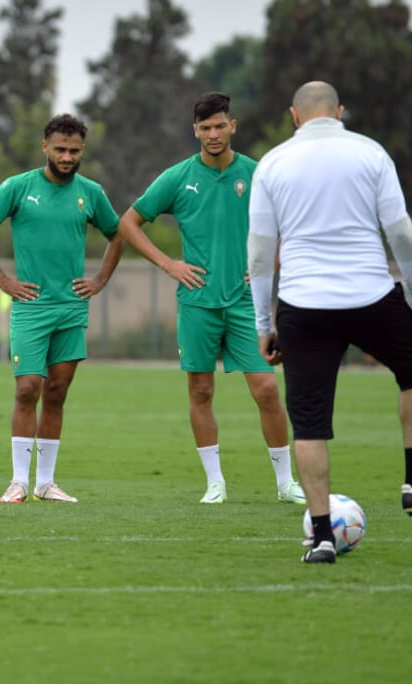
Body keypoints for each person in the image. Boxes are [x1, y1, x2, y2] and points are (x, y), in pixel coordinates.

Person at [248, 81, 412, 564]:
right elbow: (401, 231)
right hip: (370, 294)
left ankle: (323, 536)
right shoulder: (370, 152)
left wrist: (265, 321)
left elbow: (261, 254)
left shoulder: (273, 163)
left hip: (303, 305)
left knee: (309, 425)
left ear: (294, 115)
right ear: (340, 112)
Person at [116, 92, 303, 506]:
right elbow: (128, 223)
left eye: (220, 126)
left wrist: (268, 264)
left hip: (245, 303)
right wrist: (170, 264)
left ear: (232, 126)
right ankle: (215, 482)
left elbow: (287, 226)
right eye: (205, 128)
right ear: (195, 131)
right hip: (197, 303)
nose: (214, 134)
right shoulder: (177, 178)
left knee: (267, 391)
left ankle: (285, 483)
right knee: (201, 392)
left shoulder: (258, 174)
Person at [0, 113, 123, 504]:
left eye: (74, 151)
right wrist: (4, 281)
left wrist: (100, 279)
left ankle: (45, 484)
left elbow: (118, 235)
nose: (67, 157)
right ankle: (18, 481)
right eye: (60, 150)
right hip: (32, 308)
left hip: (71, 308)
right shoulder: (18, 187)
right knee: (27, 389)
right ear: (45, 148)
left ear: (82, 150)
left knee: (56, 393)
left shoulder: (91, 192)